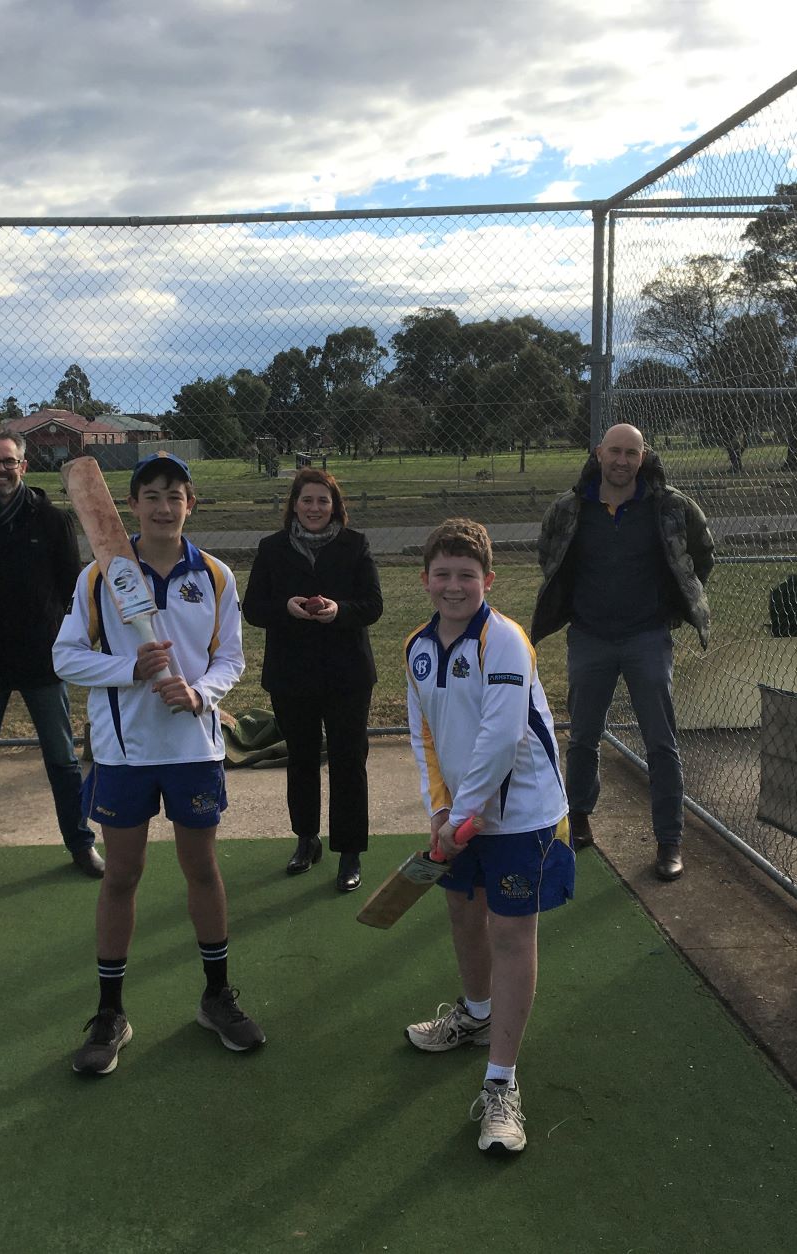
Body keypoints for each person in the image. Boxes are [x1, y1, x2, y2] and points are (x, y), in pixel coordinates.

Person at [53, 451, 264, 1075]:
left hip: (194, 747)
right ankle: (111, 1012)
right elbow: (65, 658)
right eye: (151, 495)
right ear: (132, 506)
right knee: (122, 875)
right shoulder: (100, 575)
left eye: (175, 494)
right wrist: (129, 670)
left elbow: (233, 658)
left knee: (202, 868)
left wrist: (201, 693)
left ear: (190, 504)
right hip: (125, 754)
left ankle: (216, 997)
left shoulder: (218, 575)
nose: (163, 505)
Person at [403, 518, 574, 1155]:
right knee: (461, 912)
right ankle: (475, 1015)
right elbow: (423, 737)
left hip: (521, 813)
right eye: (442, 575)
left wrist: (466, 818)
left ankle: (502, 1082)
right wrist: (439, 813)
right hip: (462, 817)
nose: (453, 587)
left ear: (488, 581)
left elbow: (501, 737)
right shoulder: (417, 646)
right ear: (424, 580)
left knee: (509, 931)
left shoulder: (504, 641)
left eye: (465, 577)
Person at [529, 422, 714, 882]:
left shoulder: (671, 507)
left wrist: (675, 606)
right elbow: (548, 554)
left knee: (661, 741)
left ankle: (669, 841)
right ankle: (579, 820)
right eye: (614, 451)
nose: (622, 461)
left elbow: (701, 553)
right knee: (583, 736)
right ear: (598, 453)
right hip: (589, 637)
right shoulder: (570, 509)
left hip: (647, 639)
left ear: (643, 455)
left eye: (631, 453)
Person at [0, 424, 102, 891]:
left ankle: (80, 843)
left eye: (9, 461)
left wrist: (45, 634)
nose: (1, 470)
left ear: (24, 466)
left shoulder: (52, 522)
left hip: (43, 661)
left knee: (63, 760)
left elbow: (71, 585)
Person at [241, 469, 383, 892]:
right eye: (307, 500)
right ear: (294, 505)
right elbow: (253, 609)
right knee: (301, 759)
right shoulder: (272, 548)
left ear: (335, 505)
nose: (315, 508)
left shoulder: (355, 545)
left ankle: (350, 850)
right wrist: (285, 607)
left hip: (347, 676)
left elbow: (373, 605)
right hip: (291, 675)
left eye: (323, 500)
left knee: (348, 760)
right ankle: (307, 839)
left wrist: (339, 610)